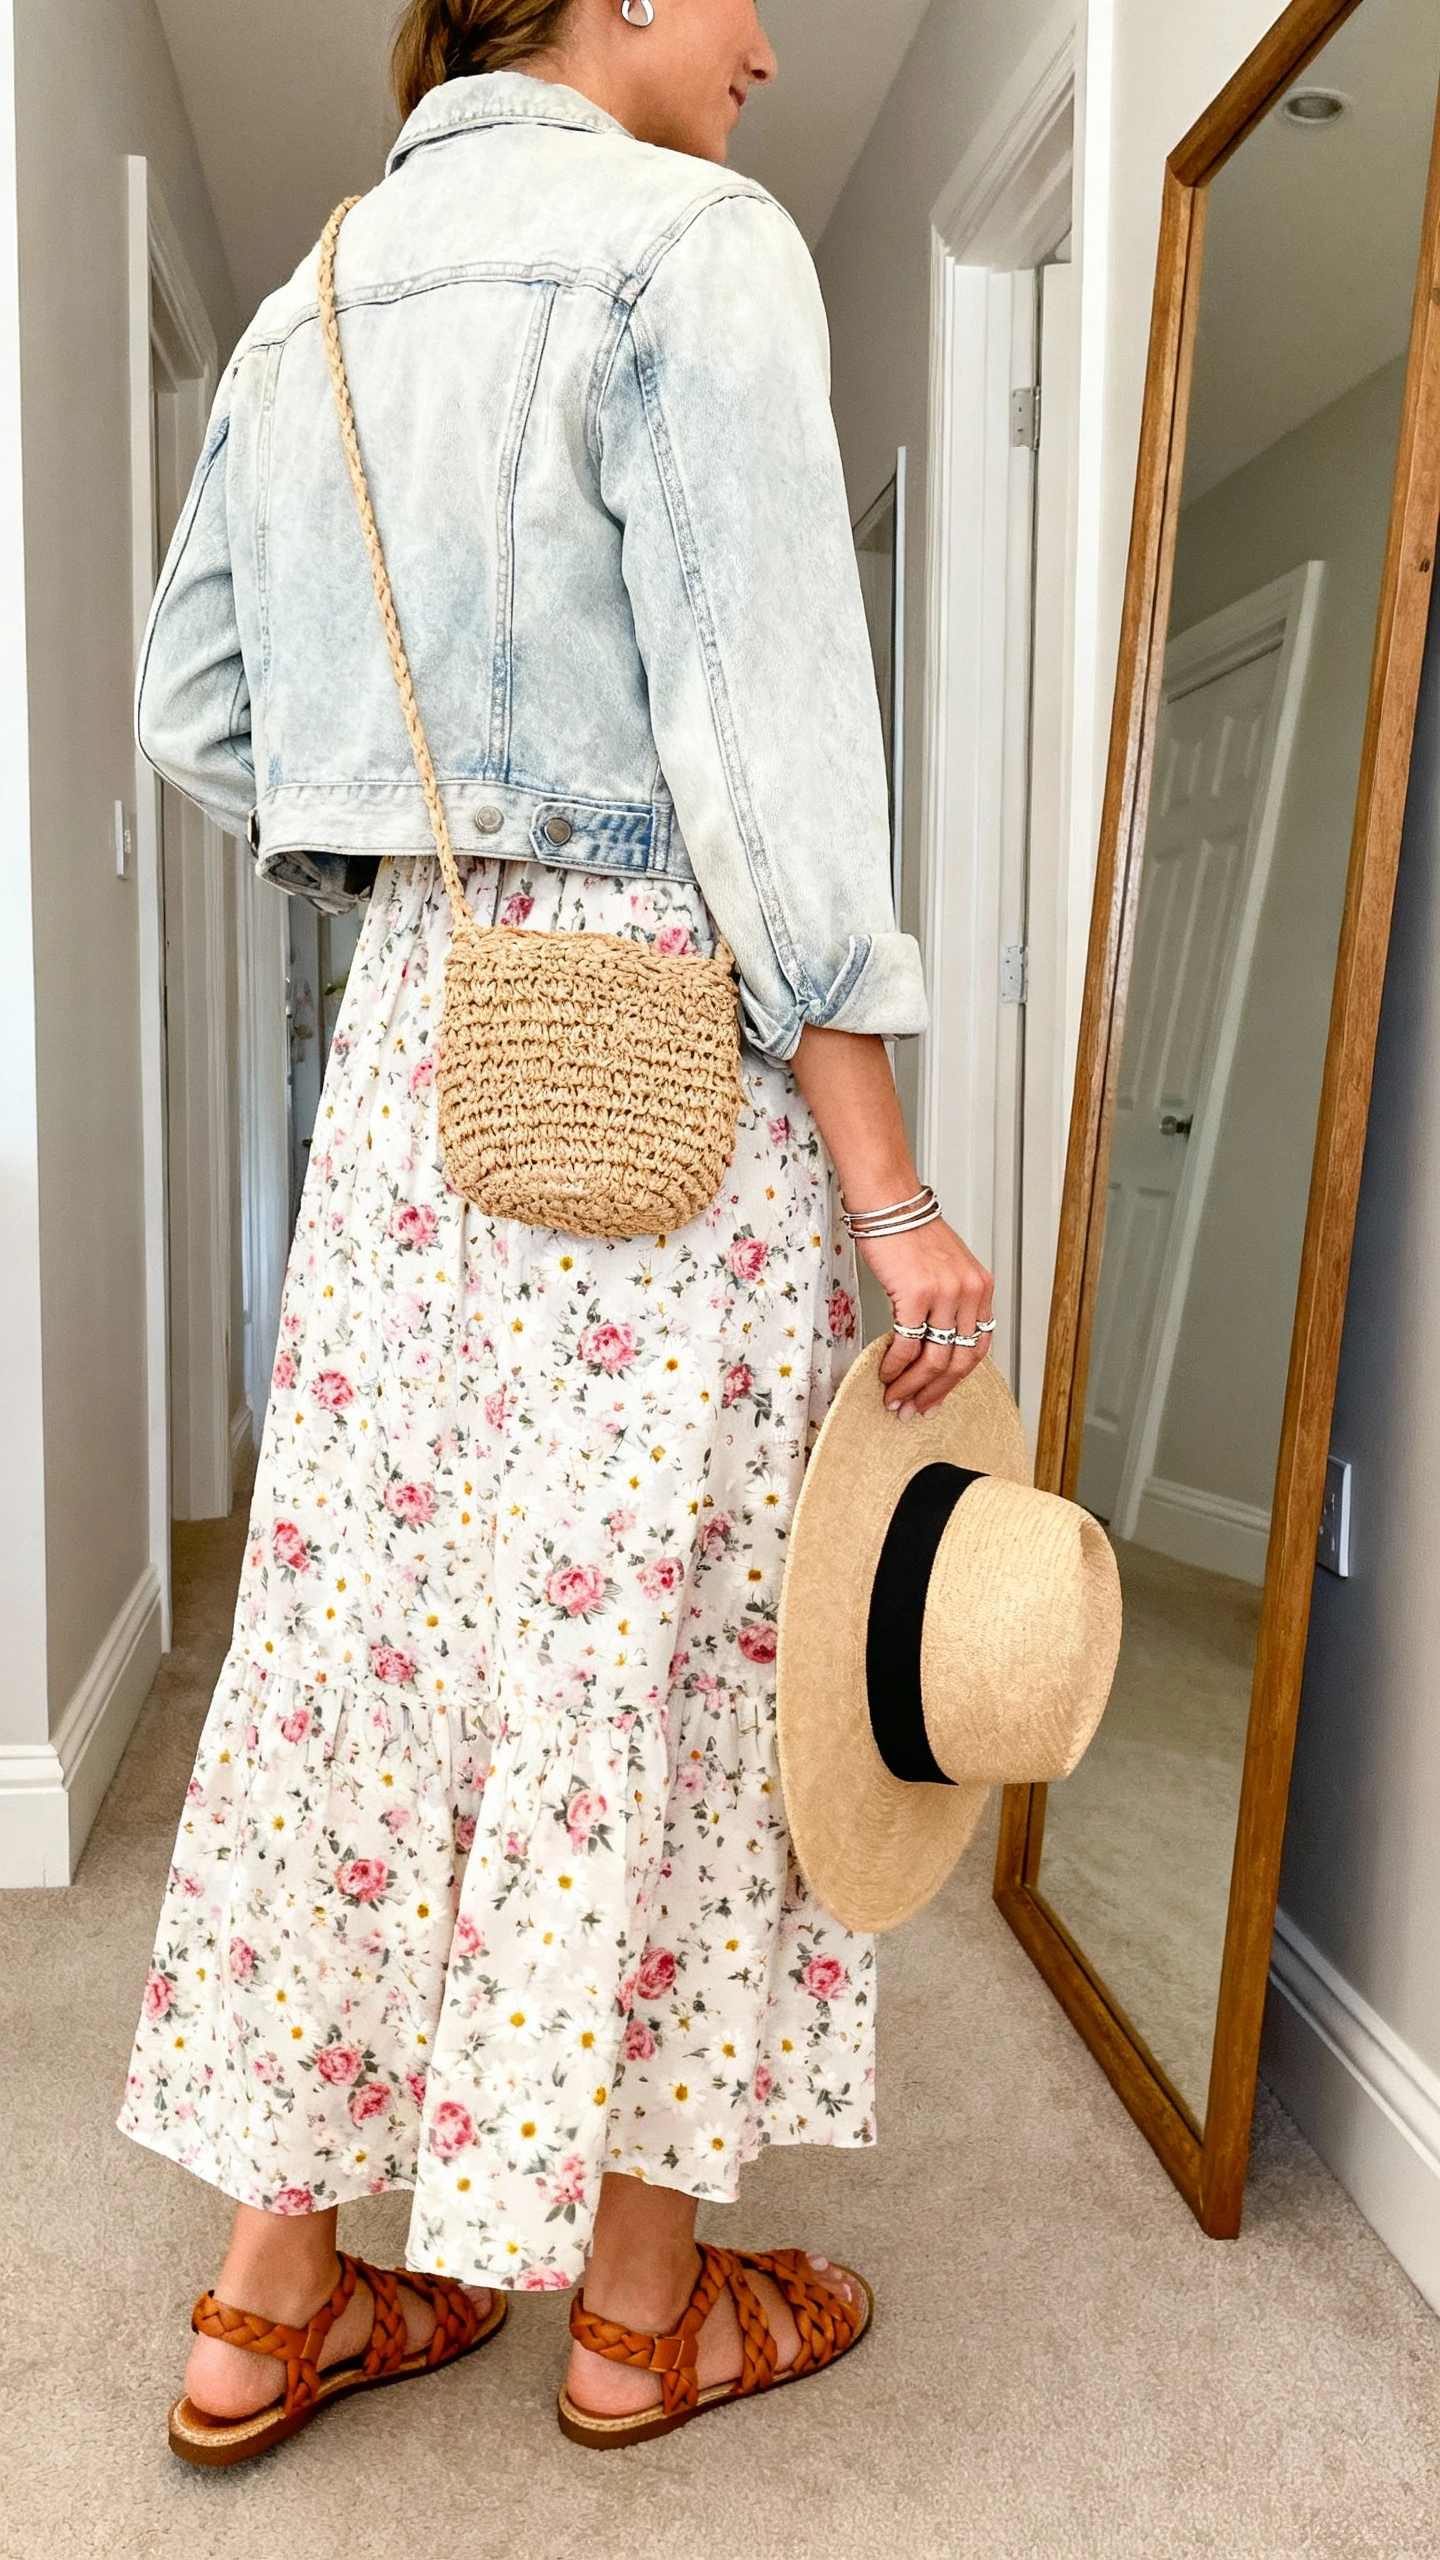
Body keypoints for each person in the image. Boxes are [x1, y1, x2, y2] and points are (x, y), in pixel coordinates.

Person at [122, 0, 993, 2460]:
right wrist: (890, 1185)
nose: (773, 53)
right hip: (643, 1060)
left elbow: (198, 706)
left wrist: (428, 830)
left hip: (420, 1055)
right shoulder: (688, 245)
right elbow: (771, 754)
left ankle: (263, 2301)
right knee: (682, 1654)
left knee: (370, 1649)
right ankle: (636, 2307)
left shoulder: (312, 287)